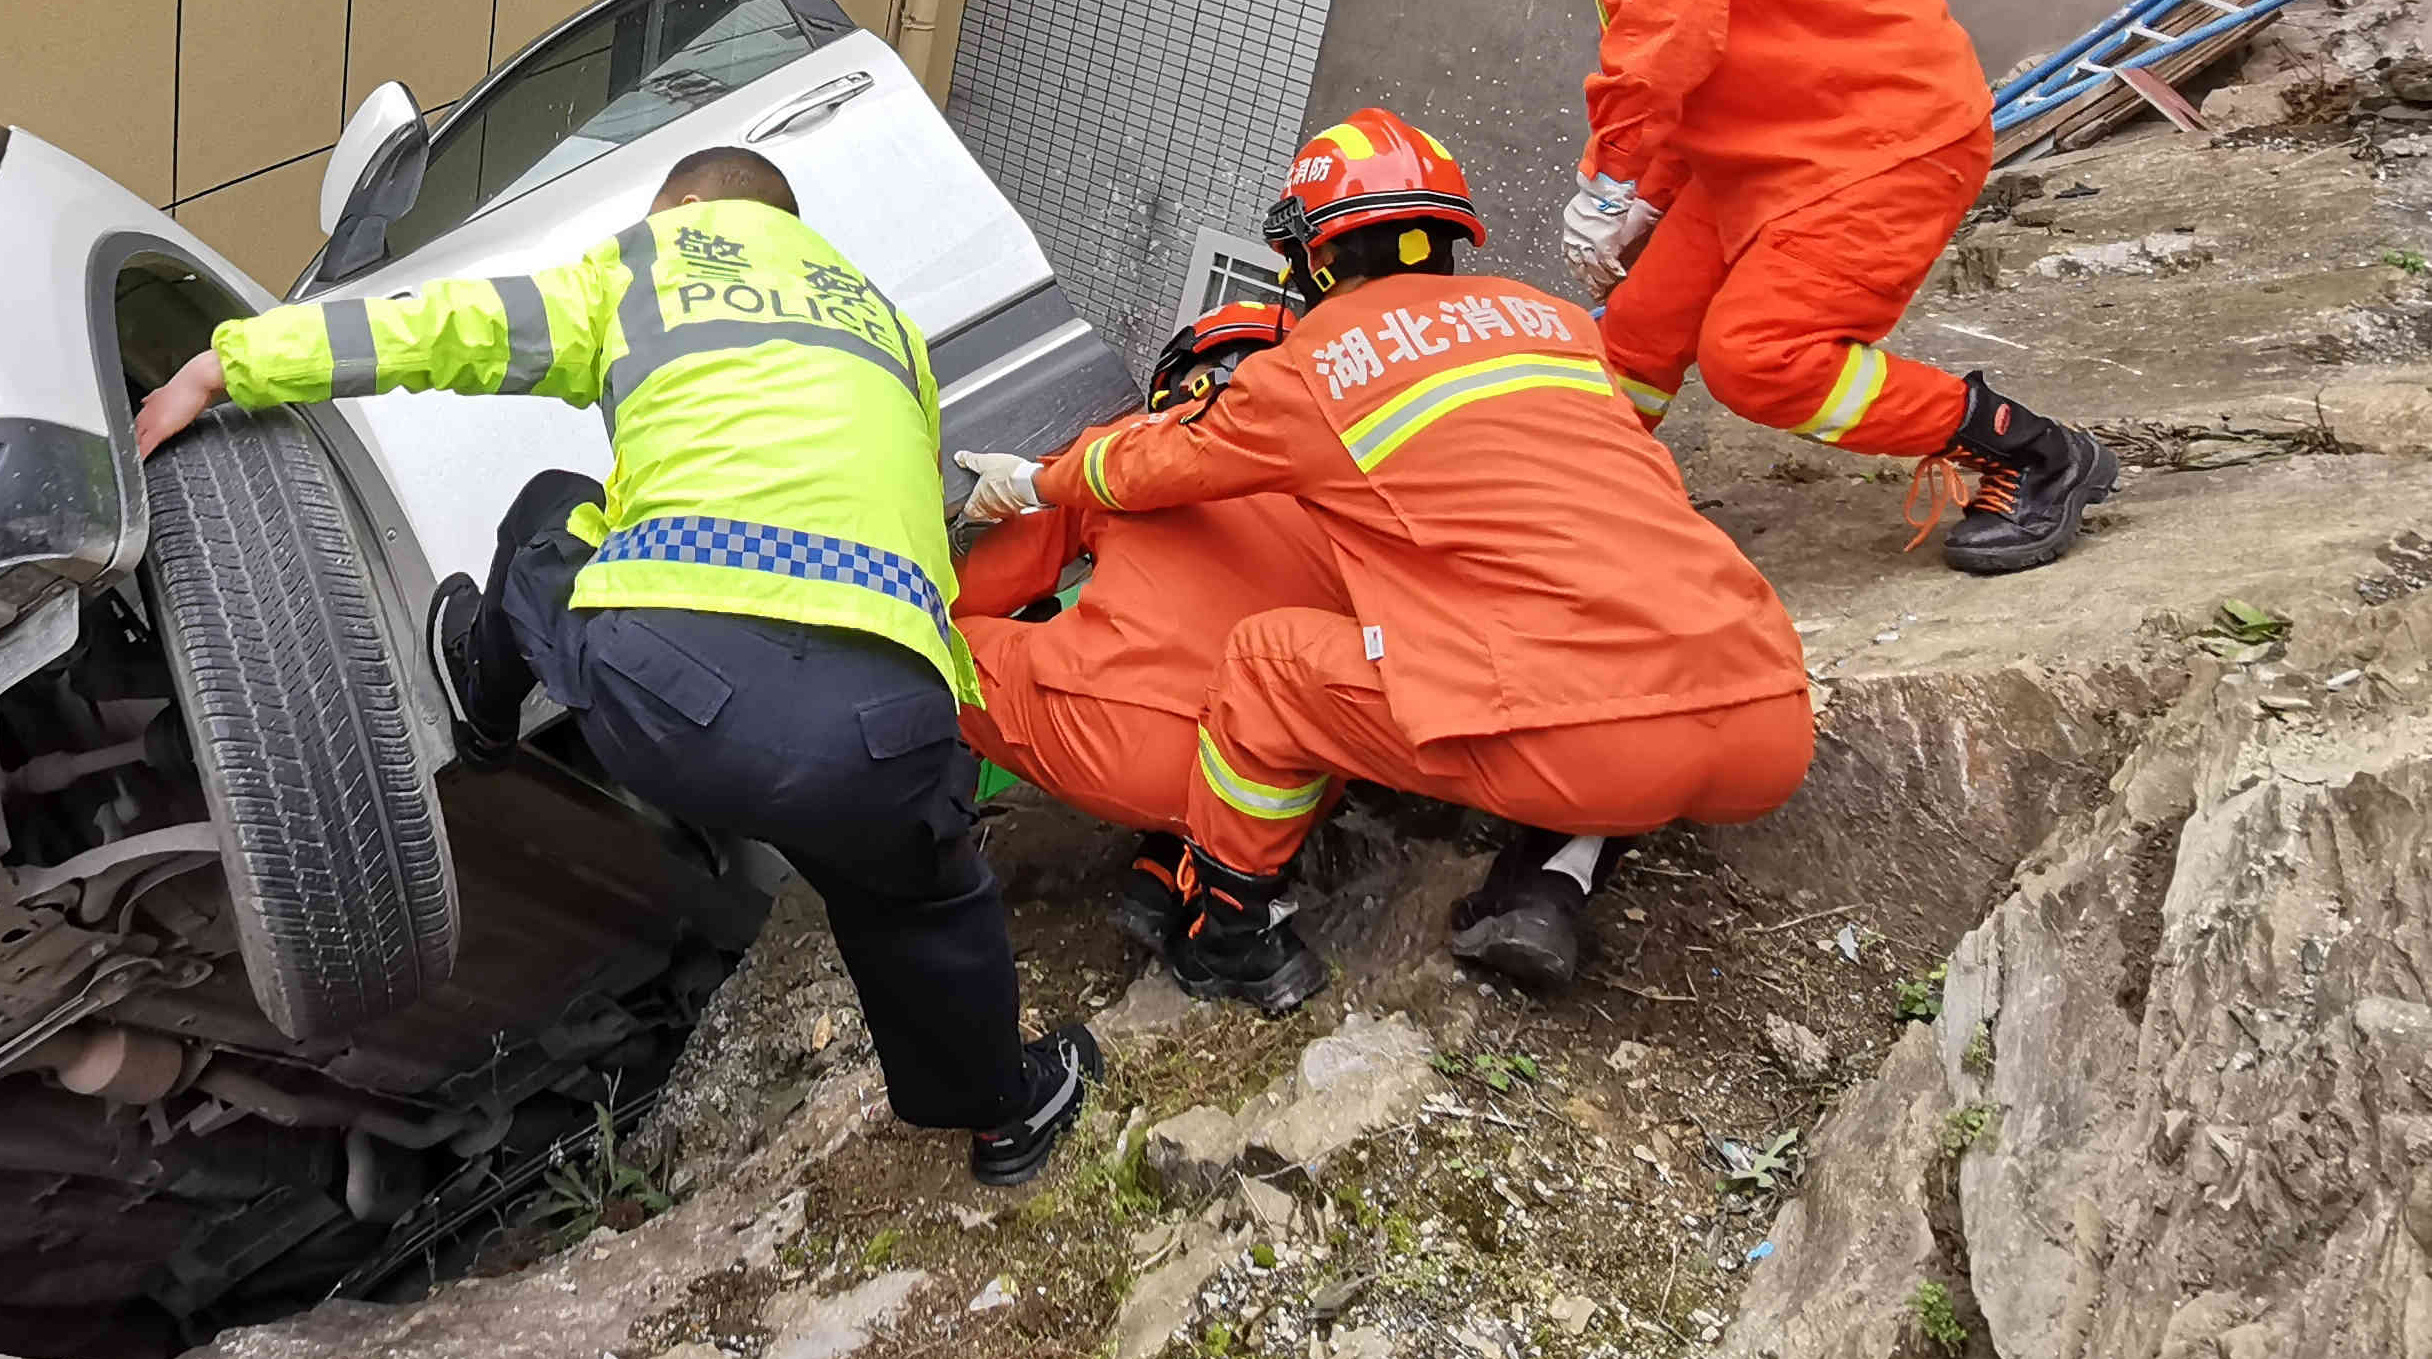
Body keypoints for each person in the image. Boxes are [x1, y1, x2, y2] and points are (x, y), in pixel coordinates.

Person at [134, 145, 1102, 1185]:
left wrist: (226, 362)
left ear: (683, 204)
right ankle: (1006, 1116)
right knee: (921, 904)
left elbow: (445, 328)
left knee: (550, 512)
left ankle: (483, 703)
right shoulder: (885, 329)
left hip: (676, 690)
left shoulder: (648, 265)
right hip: (887, 729)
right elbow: (909, 510)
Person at [966, 110, 1816, 995]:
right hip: (1765, 708)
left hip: (1583, 730)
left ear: (1317, 259)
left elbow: (1151, 464)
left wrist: (1035, 481)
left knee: (1270, 663)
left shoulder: (1315, 367)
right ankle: (1548, 884)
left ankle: (1231, 935)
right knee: (1619, 703)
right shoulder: (1557, 324)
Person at [1463, 0, 2118, 576]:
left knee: (1760, 360)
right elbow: (1709, 65)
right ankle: (1592, 495)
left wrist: (1609, 182)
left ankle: (2032, 453)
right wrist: (1645, 197)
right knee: (1641, 331)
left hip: (1873, 144)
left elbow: (1666, 39)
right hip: (1798, 136)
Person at [948, 300, 1356, 1013]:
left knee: (926, 643)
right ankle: (1179, 867)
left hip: (1126, 746)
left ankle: (930, 824)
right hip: (1286, 788)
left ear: (1178, 387)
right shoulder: (1348, 498)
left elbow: (978, 592)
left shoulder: (1130, 453)